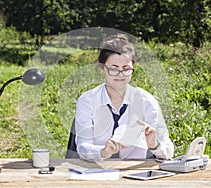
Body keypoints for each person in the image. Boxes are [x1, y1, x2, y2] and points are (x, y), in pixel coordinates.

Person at [74, 34, 174, 162]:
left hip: (134, 175)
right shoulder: (87, 100)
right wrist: (103, 152)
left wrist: (154, 144)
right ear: (102, 68)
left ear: (133, 67)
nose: (120, 75)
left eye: (126, 69)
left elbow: (168, 153)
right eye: (114, 69)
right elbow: (83, 147)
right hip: (96, 172)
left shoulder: (147, 101)